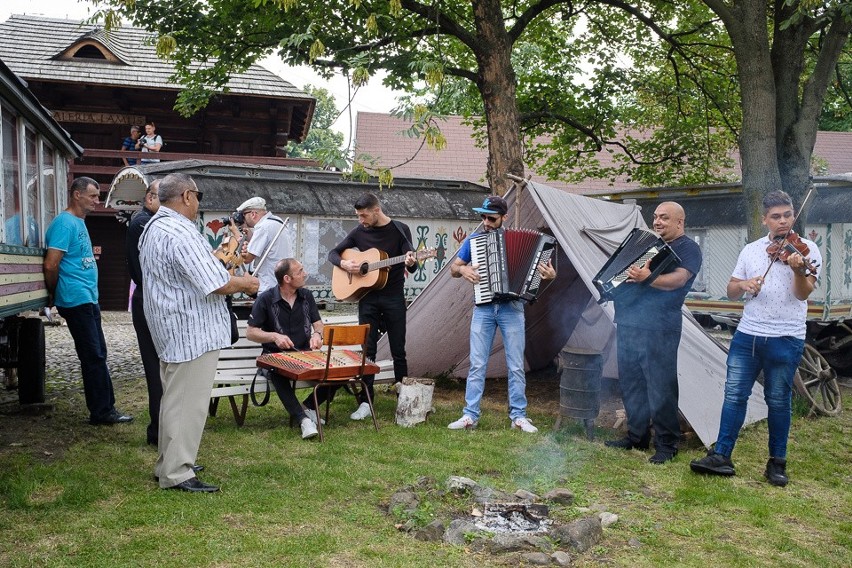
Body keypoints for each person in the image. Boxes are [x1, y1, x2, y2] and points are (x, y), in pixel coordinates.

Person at [690, 191, 820, 487]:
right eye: (776, 216)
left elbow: (803, 293)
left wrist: (799, 270)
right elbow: (732, 289)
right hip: (748, 334)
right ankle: (721, 455)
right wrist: (745, 284)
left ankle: (777, 463)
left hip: (785, 337)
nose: (783, 221)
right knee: (734, 394)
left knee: (778, 400)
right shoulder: (751, 250)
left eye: (787, 214)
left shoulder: (807, 249)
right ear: (765, 220)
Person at [139, 173, 259, 492]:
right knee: (187, 403)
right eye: (198, 196)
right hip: (191, 329)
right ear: (188, 196)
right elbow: (216, 283)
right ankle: (177, 472)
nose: (198, 204)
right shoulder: (180, 231)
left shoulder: (153, 226)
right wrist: (246, 283)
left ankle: (170, 461)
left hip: (171, 326)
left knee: (174, 400)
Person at [447, 195, 556, 433]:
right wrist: (463, 269)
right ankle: (469, 415)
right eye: (483, 217)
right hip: (483, 308)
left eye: (491, 218)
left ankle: (518, 416)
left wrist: (551, 276)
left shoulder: (522, 240)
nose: (485, 222)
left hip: (512, 308)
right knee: (477, 363)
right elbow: (454, 268)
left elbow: (544, 273)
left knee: (516, 365)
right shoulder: (474, 240)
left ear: (503, 217)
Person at [604, 202, 702, 464]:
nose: (657, 222)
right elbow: (626, 275)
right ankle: (636, 437)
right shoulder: (647, 245)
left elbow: (678, 280)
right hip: (629, 323)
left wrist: (647, 277)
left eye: (664, 218)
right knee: (631, 382)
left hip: (660, 327)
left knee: (661, 387)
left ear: (679, 222)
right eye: (656, 217)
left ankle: (667, 444)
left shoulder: (688, 248)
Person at [43, 177, 133, 426]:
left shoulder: (79, 222)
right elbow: (51, 264)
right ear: (76, 195)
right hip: (75, 298)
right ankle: (101, 412)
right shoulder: (64, 223)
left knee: (99, 353)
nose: (97, 200)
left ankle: (106, 408)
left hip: (87, 298)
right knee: (93, 355)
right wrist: (54, 293)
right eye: (93, 196)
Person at [328, 192, 418, 421]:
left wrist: (411, 261)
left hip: (393, 297)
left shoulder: (400, 229)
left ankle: (405, 401)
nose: (361, 221)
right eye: (359, 216)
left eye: (364, 216)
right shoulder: (360, 232)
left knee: (399, 349)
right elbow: (332, 253)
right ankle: (366, 403)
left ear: (376, 210)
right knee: (368, 351)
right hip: (367, 297)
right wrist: (345, 263)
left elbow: (413, 264)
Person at [246, 258, 326, 440]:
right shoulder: (265, 299)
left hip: (304, 355)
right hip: (274, 357)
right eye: (300, 271)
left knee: (337, 372)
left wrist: (317, 335)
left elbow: (318, 323)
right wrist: (274, 336)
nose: (305, 273)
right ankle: (303, 420)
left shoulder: (307, 296)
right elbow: (250, 332)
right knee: (277, 374)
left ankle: (308, 407)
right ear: (287, 279)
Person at [125, 179, 161, 445]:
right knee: (156, 368)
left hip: (152, 298)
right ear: (150, 198)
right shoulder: (143, 222)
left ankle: (160, 429)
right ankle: (159, 430)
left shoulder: (151, 221)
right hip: (149, 299)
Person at [236, 197, 292, 293]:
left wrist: (234, 230)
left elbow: (248, 259)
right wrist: (249, 235)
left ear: (253, 214)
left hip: (269, 285)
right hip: (282, 283)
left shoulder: (263, 227)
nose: (243, 219)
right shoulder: (276, 221)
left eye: (244, 215)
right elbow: (265, 245)